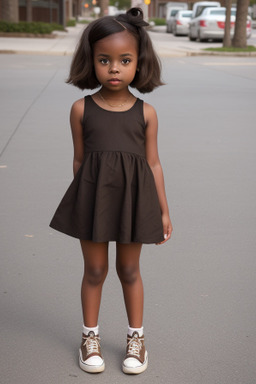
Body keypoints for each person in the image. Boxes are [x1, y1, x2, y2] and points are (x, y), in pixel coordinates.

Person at [50, 7, 172, 375]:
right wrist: (83, 204)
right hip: (93, 201)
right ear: (91, 61)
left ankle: (137, 338)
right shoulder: (80, 109)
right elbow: (79, 162)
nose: (114, 68)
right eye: (104, 60)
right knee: (95, 269)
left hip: (134, 202)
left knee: (129, 269)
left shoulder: (147, 113)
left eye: (124, 60)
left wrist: (163, 211)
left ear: (139, 63)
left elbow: (153, 163)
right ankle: (90, 337)